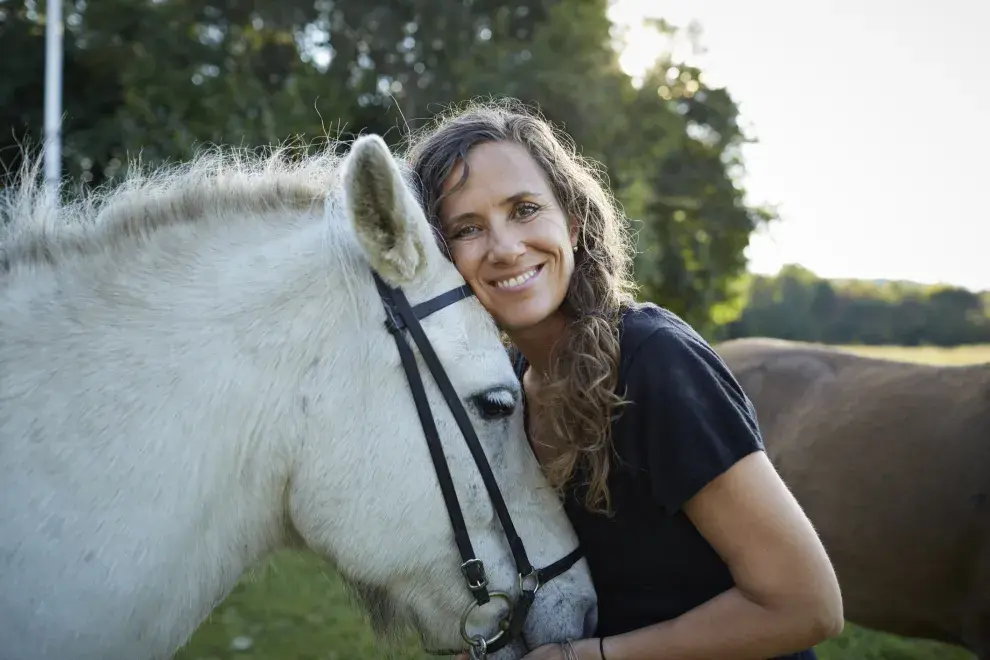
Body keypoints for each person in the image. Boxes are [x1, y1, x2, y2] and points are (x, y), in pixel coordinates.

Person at [404, 98, 844, 660]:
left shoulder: (654, 362)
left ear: (575, 220)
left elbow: (807, 605)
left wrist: (592, 658)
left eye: (524, 209)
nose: (505, 247)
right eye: (467, 228)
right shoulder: (506, 390)